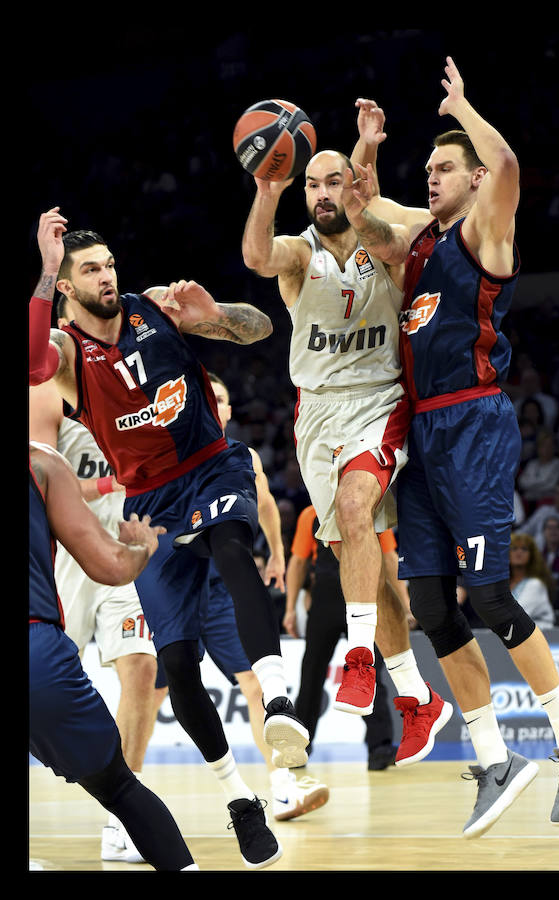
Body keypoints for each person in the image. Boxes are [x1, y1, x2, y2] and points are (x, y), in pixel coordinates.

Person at [348, 57, 559, 836]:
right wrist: (361, 162)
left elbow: (506, 164)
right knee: (429, 603)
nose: (431, 178)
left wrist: (463, 108)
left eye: (442, 169)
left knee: (490, 596)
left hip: (473, 421)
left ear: (468, 180)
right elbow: (368, 221)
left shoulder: (483, 235)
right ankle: (494, 756)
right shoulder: (422, 246)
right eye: (425, 168)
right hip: (422, 428)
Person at [29, 208, 298, 869]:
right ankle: (238, 799)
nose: (107, 276)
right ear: (67, 287)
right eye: (91, 269)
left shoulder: (157, 308)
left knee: (234, 549)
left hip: (210, 465)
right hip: (149, 502)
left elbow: (258, 327)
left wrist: (218, 312)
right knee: (175, 667)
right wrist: (41, 267)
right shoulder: (66, 353)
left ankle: (280, 700)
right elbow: (32, 358)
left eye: (110, 264)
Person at [241, 146, 452, 767]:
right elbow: (257, 256)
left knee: (358, 509)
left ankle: (358, 657)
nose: (323, 192)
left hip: (377, 400)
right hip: (315, 413)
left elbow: (401, 230)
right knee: (360, 561)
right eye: (313, 184)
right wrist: (267, 188)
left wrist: (370, 167)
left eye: (335, 180)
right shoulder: (300, 253)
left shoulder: (383, 247)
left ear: (352, 186)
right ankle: (416, 698)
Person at [151, 368, 329, 824]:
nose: (216, 404)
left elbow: (266, 502)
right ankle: (124, 802)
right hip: (170, 586)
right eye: (207, 396)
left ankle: (283, 788)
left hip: (220, 588)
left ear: (229, 410)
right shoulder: (165, 449)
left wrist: (274, 552)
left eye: (223, 398)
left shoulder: (241, 456)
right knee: (148, 695)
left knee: (254, 687)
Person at [30, 298, 161, 864]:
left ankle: (121, 815)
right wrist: (111, 487)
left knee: (142, 667)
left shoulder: (130, 375)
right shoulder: (49, 383)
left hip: (121, 550)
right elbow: (43, 476)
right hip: (68, 551)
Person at [29, 440, 198, 871]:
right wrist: (143, 546)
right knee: (120, 788)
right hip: (36, 647)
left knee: (141, 667)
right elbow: (112, 566)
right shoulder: (41, 461)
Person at [284, 504, 399, 771]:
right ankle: (379, 749)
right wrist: (402, 603)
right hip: (357, 594)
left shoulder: (313, 512)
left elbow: (299, 561)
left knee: (314, 673)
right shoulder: (368, 508)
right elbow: (389, 557)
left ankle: (303, 747)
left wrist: (291, 608)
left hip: (333, 595)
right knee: (363, 671)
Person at [508, 533, 556, 630]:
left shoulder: (535, 584)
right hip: (513, 634)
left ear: (532, 555)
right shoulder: (504, 584)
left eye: (524, 549)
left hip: (541, 634)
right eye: (514, 548)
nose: (519, 553)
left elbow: (518, 615)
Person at [516, 429, 559, 505]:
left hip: (548, 501)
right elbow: (522, 482)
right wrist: (541, 482)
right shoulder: (532, 463)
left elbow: (551, 485)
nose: (546, 449)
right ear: (538, 448)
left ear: (554, 447)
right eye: (543, 445)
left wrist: (532, 484)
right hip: (528, 500)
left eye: (550, 445)